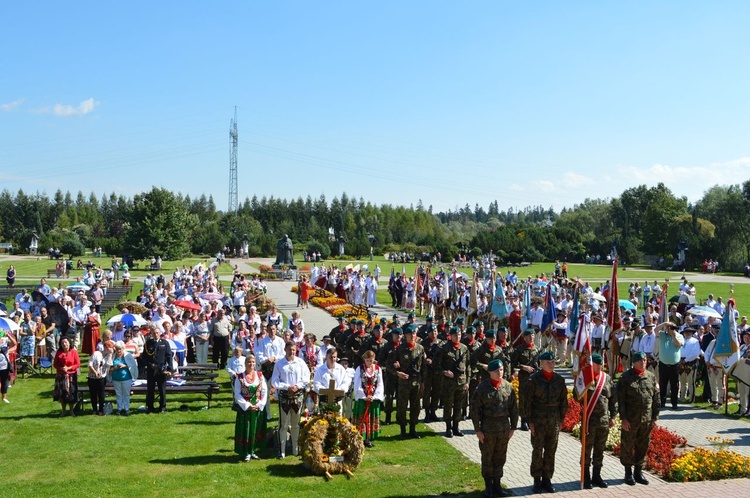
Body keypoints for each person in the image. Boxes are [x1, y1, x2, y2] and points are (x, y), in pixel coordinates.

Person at [523, 350, 568, 493]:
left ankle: (547, 479)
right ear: (541, 364)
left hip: (553, 421)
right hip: (538, 421)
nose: (552, 364)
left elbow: (563, 402)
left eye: (553, 362)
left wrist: (561, 420)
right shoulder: (533, 380)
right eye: (548, 362)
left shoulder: (559, 380)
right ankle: (537, 480)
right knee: (537, 451)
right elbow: (527, 402)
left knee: (550, 451)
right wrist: (529, 421)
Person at [471, 358, 517, 497]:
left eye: (501, 370)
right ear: (490, 372)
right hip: (488, 428)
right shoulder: (482, 388)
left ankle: (497, 485)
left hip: (503, 428)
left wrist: (513, 428)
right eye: (496, 370)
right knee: (487, 457)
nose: (499, 373)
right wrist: (478, 430)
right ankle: (488, 487)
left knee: (500, 457)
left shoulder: (508, 387)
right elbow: (475, 410)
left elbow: (514, 409)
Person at [617, 351, 660, 486]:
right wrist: (623, 419)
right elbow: (621, 400)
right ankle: (628, 472)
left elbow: (656, 398)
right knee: (627, 446)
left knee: (643, 445)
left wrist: (654, 417)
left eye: (645, 360)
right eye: (641, 360)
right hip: (630, 420)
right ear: (634, 362)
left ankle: (638, 472)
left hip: (646, 420)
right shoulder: (625, 378)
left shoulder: (651, 377)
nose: (643, 362)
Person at [577, 353, 616, 489]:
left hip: (603, 421)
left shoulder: (607, 379)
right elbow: (577, 397)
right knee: (587, 450)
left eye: (601, 364)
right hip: (589, 421)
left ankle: (597, 476)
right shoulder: (586, 378)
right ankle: (585, 476)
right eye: (597, 364)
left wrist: (613, 416)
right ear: (591, 365)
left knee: (599, 450)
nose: (600, 366)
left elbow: (613, 400)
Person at [271, 341, 310, 459]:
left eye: (293, 350)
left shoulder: (301, 362)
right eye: (289, 350)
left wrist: (297, 386)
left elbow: (306, 377)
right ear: (285, 350)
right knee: (283, 424)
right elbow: (274, 381)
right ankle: (281, 450)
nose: (291, 352)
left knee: (296, 424)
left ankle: (295, 448)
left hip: (297, 396)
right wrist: (287, 386)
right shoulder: (279, 364)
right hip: (284, 397)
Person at [386, 326, 424, 439]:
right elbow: (389, 364)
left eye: (414, 333)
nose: (412, 336)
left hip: (416, 382)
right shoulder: (399, 349)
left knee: (415, 407)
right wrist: (398, 373)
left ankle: (413, 429)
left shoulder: (420, 348)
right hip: (404, 383)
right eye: (410, 334)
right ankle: (403, 429)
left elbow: (423, 367)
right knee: (402, 407)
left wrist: (423, 382)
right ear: (405, 336)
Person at [234, 355, 268, 461]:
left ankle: (253, 450)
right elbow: (237, 394)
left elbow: (264, 391)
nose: (251, 364)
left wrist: (260, 404)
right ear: (245, 363)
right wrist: (247, 405)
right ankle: (246, 452)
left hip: (257, 408)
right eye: (249, 362)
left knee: (256, 429)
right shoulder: (240, 377)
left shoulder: (260, 375)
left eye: (253, 362)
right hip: (245, 410)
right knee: (246, 430)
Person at [440, 326, 469, 438]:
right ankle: (448, 427)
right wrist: (445, 372)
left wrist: (467, 381)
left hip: (461, 382)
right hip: (449, 382)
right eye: (455, 335)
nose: (458, 337)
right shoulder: (444, 348)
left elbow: (468, 366)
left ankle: (456, 426)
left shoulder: (464, 348)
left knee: (459, 405)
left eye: (459, 335)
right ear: (451, 336)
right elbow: (437, 364)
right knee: (448, 405)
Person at [353, 350, 385, 447]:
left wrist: (374, 396)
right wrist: (364, 396)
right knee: (362, 416)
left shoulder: (377, 369)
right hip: (363, 397)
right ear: (364, 360)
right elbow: (357, 383)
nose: (369, 363)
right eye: (367, 361)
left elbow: (380, 383)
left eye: (371, 361)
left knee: (371, 417)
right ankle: (360, 437)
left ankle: (368, 438)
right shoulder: (360, 368)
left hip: (373, 397)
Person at [511, 327, 539, 431]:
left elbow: (539, 364)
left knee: (533, 399)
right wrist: (523, 367)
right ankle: (523, 421)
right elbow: (513, 363)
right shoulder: (519, 349)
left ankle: (530, 420)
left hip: (534, 378)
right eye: (529, 336)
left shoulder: (536, 349)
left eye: (533, 335)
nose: (531, 337)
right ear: (525, 337)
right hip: (524, 379)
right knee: (523, 399)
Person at [143, 325, 175, 413]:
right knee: (150, 390)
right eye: (154, 333)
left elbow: (169, 357)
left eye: (157, 333)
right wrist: (149, 365)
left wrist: (170, 369)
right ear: (152, 334)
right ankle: (150, 407)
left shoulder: (164, 343)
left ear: (160, 333)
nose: (156, 334)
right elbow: (144, 357)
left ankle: (162, 407)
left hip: (161, 370)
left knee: (162, 390)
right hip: (151, 370)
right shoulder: (148, 343)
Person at [655, 322, 684, 409]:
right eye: (669, 328)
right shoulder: (663, 335)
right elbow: (655, 330)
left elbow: (678, 344)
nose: (671, 329)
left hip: (674, 365)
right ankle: (662, 402)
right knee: (662, 384)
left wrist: (673, 335)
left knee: (674, 385)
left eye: (672, 328)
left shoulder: (679, 336)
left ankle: (674, 403)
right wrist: (664, 323)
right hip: (663, 363)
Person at [53, 337, 80, 417]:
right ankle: (63, 411)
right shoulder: (59, 352)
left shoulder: (74, 352)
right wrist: (61, 368)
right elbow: (55, 364)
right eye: (62, 343)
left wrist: (69, 368)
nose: (64, 344)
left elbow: (77, 364)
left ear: (69, 343)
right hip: (61, 375)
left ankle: (71, 411)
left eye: (65, 342)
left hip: (71, 375)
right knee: (62, 394)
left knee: (71, 393)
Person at [111, 340, 138, 415]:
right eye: (117, 349)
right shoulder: (113, 356)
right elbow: (109, 368)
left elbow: (133, 366)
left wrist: (125, 366)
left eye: (120, 349)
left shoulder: (128, 356)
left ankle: (126, 408)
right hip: (116, 378)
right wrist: (116, 368)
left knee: (126, 394)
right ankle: (119, 409)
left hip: (126, 378)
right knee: (118, 394)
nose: (118, 350)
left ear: (123, 348)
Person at [87, 340, 113, 416]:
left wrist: (110, 355)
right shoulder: (96, 354)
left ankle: (101, 410)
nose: (111, 349)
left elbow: (109, 364)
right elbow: (90, 364)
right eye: (110, 347)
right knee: (93, 394)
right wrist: (95, 372)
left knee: (101, 395)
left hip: (102, 378)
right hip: (92, 378)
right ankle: (94, 409)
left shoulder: (109, 356)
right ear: (105, 347)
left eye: (112, 347)